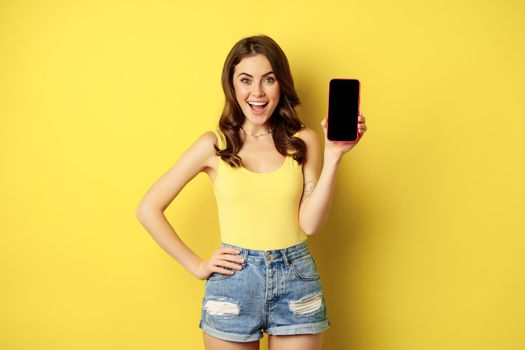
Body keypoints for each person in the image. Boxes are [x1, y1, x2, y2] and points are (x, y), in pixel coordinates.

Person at [136, 34, 367, 350]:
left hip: (296, 280)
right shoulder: (213, 145)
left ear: (281, 84)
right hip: (234, 284)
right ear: (232, 86)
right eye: (246, 80)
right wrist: (198, 265)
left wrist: (335, 155)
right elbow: (148, 208)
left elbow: (310, 224)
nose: (257, 92)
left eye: (268, 80)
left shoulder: (304, 140)